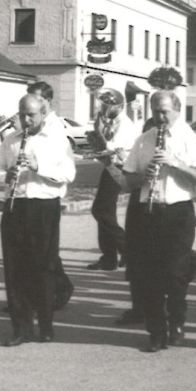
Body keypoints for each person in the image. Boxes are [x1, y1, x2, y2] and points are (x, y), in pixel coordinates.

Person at [123, 90, 196, 352]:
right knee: (149, 276)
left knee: (174, 273)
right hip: (148, 211)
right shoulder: (144, 140)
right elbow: (129, 180)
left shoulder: (188, 139)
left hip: (178, 212)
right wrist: (144, 176)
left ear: (177, 109)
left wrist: (174, 163)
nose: (160, 117)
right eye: (156, 111)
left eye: (165, 112)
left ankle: (177, 323)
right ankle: (156, 332)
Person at [0, 94, 76, 346]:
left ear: (42, 114)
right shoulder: (11, 140)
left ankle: (46, 325)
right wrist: (6, 175)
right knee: (15, 269)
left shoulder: (56, 139)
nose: (26, 120)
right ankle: (21, 328)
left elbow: (68, 174)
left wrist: (39, 167)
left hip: (43, 207)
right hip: (16, 206)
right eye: (22, 114)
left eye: (31, 115)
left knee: (43, 268)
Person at [26, 81, 75, 309]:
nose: (36, 104)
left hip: (48, 191)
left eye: (39, 99)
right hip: (27, 192)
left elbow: (61, 163)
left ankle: (59, 287)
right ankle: (27, 295)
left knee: (46, 250)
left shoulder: (55, 126)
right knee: (32, 248)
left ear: (48, 101)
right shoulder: (30, 120)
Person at [87, 91, 139, 271]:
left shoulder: (125, 125)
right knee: (105, 211)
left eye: (107, 106)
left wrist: (99, 134)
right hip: (111, 166)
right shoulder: (112, 121)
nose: (103, 109)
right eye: (102, 105)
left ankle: (128, 248)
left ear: (119, 107)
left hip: (120, 168)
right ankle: (109, 258)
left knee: (101, 210)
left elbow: (112, 148)